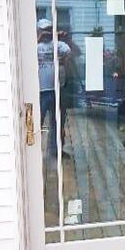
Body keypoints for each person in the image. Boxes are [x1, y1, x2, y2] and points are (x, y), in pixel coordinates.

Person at [37, 18, 71, 156]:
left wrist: (60, 37)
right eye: (43, 30)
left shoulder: (60, 45)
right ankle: (34, 153)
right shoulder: (34, 45)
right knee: (37, 122)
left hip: (58, 90)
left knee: (58, 122)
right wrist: (38, 38)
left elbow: (72, 53)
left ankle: (56, 151)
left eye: (48, 29)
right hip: (40, 91)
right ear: (38, 30)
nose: (46, 33)